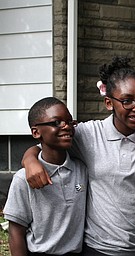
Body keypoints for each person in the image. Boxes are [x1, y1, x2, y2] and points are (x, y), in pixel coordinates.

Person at [22, 57, 135, 255]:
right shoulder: (89, 134)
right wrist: (30, 160)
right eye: (127, 100)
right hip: (97, 248)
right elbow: (46, 143)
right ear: (108, 102)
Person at [3, 97, 87, 255]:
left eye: (70, 121)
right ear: (36, 132)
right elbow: (16, 233)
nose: (66, 126)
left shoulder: (82, 170)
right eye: (57, 122)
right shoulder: (23, 179)